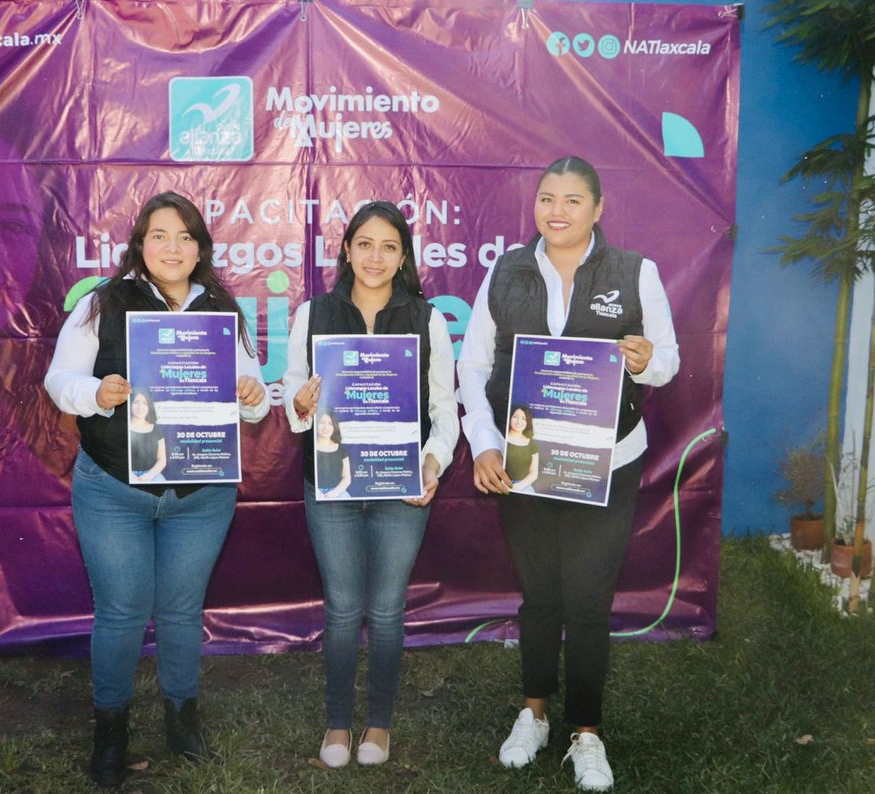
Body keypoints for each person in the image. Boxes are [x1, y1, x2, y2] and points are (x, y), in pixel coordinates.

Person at [457, 156, 679, 791]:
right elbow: (473, 368)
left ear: (598, 208)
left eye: (573, 200)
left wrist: (644, 359)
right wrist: (485, 444)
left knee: (587, 599)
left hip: (605, 464)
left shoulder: (636, 273)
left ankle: (586, 731)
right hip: (523, 465)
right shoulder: (505, 271)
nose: (557, 210)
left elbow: (666, 359)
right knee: (539, 597)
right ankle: (533, 714)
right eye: (547, 198)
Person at [44, 191, 269, 787]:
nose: (173, 247)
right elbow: (59, 378)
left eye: (186, 237)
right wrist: (96, 393)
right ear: (140, 244)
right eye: (160, 235)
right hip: (114, 487)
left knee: (180, 610)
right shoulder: (101, 303)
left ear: (201, 248)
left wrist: (252, 396)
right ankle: (110, 732)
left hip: (200, 495)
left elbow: (253, 394)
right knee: (120, 612)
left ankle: (181, 720)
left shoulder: (222, 310)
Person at [284, 201, 459, 768]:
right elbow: (293, 404)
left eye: (388, 246)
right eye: (365, 244)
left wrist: (433, 463)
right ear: (347, 250)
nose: (375, 257)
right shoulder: (312, 315)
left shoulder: (427, 319)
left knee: (385, 610)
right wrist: (302, 403)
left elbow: (443, 409)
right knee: (341, 608)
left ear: (403, 255)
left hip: (401, 486)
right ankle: (338, 723)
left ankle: (378, 724)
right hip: (331, 485)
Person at [128, 387, 167, 482]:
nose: (140, 408)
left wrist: (149, 475)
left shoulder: (156, 429)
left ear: (149, 406)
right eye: (136, 402)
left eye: (145, 403)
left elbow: (162, 460)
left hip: (151, 474)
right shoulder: (123, 426)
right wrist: (130, 475)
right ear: (130, 404)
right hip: (126, 473)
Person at [313, 409, 351, 498]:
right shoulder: (311, 447)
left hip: (337, 491)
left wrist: (335, 492)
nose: (325, 427)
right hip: (315, 492)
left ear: (334, 427)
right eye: (322, 422)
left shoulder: (341, 448)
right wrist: (318, 493)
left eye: (330, 424)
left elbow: (347, 477)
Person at [504, 404, 539, 493]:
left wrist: (520, 486)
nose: (519, 422)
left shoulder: (531, 443)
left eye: (524, 418)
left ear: (528, 422)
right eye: (515, 417)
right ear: (510, 417)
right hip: (502, 483)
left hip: (522, 486)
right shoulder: (502, 438)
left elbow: (534, 473)